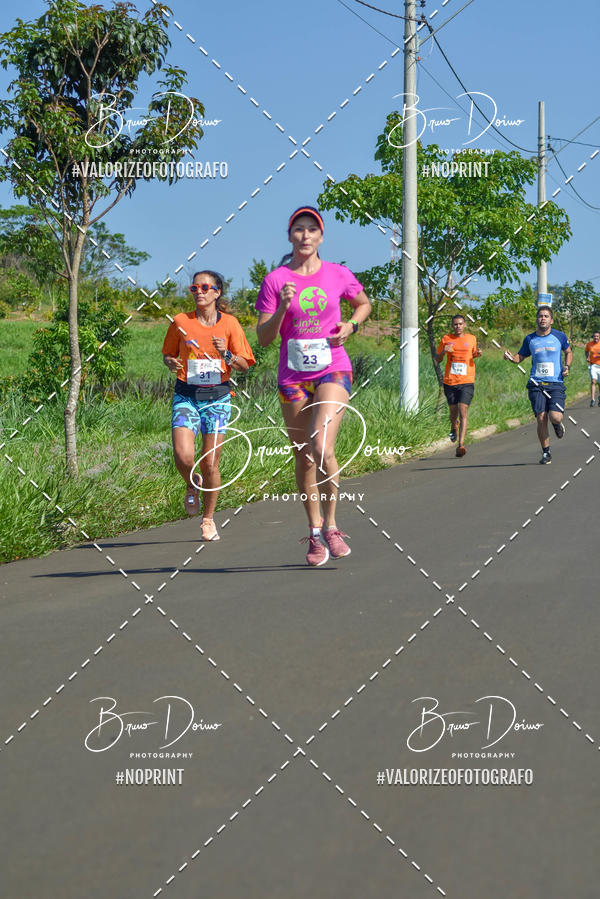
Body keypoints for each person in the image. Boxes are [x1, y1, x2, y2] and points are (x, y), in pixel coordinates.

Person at [255, 206, 371, 566]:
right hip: (292, 376)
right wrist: (282, 308)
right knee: (304, 456)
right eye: (299, 230)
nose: (305, 236)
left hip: (333, 369)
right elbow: (263, 338)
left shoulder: (338, 274)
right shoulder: (275, 281)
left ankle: (333, 525)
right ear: (290, 236)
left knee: (322, 445)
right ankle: (316, 532)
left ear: (321, 237)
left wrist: (351, 325)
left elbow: (363, 303)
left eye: (312, 230)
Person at [162, 270, 255, 540]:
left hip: (217, 398)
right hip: (186, 396)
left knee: (210, 463)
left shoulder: (230, 325)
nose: (199, 292)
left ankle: (208, 519)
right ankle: (192, 486)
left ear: (217, 292)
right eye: (194, 288)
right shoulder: (180, 322)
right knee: (183, 456)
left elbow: (244, 365)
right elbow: (168, 353)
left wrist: (225, 352)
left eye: (205, 287)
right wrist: (170, 362)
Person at [504, 305, 572, 465]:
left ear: (551, 320)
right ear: (537, 319)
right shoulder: (530, 339)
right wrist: (510, 357)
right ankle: (546, 452)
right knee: (541, 417)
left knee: (555, 416)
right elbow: (519, 357)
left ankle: (557, 424)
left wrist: (567, 366)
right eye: (540, 316)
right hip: (536, 383)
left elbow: (568, 351)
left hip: (555, 383)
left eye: (546, 316)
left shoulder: (559, 336)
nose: (543, 318)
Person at [435, 314, 482, 457]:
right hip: (450, 381)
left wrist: (477, 353)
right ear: (452, 326)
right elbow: (437, 359)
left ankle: (461, 445)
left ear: (465, 325)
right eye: (455, 324)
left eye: (460, 324)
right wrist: (443, 351)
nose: (458, 326)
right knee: (453, 411)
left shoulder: (471, 338)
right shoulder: (446, 339)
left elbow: (472, 354)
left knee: (463, 410)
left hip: (467, 381)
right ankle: (453, 427)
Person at [584, 330, 600, 406]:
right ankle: (592, 399)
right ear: (593, 337)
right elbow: (586, 351)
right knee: (593, 381)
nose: (596, 337)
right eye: (594, 336)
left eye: (597, 336)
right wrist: (587, 357)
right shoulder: (589, 344)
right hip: (593, 365)